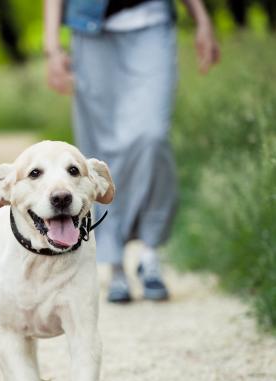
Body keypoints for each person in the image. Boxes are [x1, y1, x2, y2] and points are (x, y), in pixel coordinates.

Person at [44, 0, 220, 303]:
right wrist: (52, 47)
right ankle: (114, 263)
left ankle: (151, 251)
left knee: (151, 136)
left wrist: (201, 19)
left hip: (152, 23)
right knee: (101, 151)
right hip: (90, 30)